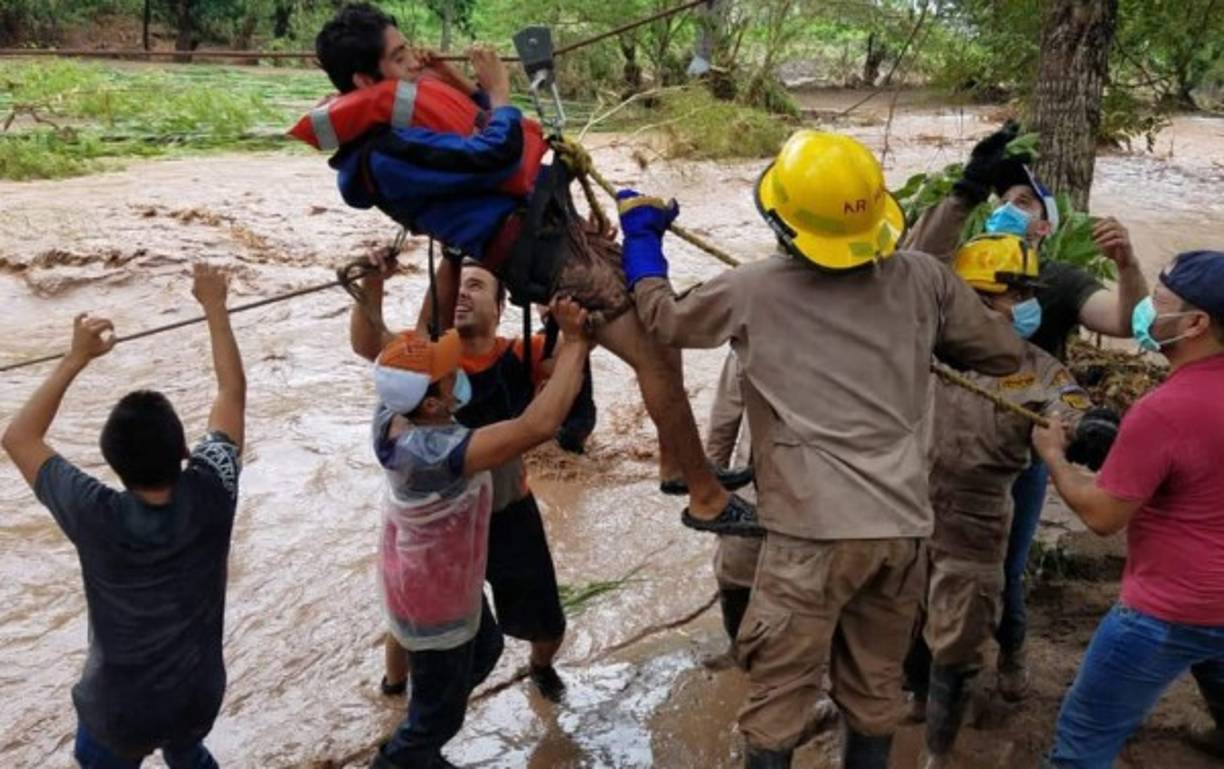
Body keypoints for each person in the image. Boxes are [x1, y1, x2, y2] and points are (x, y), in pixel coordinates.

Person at [620, 129, 1027, 769]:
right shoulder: (923, 280)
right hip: (900, 534)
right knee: (873, 697)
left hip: (810, 538)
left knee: (778, 704)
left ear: (781, 221)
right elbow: (1006, 356)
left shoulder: (749, 289)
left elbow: (665, 320)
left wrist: (642, 241)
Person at [308, 2, 755, 534]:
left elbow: (473, 131)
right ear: (364, 78)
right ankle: (705, 498)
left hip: (547, 226)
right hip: (537, 251)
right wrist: (498, 91)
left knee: (663, 340)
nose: (412, 63)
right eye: (399, 56)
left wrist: (453, 80)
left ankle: (678, 465)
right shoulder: (386, 151)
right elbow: (494, 154)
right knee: (652, 357)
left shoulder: (401, 123)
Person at [903, 121, 1149, 698]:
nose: (1009, 208)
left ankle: (1008, 653)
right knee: (917, 566)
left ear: (1045, 225)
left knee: (1002, 567)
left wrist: (1129, 264)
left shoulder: (1060, 282)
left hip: (1024, 438)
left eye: (1022, 202)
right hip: (937, 442)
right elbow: (914, 271)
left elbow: (1121, 323)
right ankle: (920, 679)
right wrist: (965, 188)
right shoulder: (965, 266)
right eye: (1004, 198)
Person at [1, 264, 246, 769]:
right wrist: (215, 306)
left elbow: (19, 438)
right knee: (186, 748)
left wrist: (75, 358)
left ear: (111, 465)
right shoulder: (212, 487)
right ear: (183, 450)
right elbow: (231, 394)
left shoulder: (94, 512)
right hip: (197, 696)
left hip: (118, 711)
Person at [904, 235, 1116, 768]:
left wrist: (1089, 429)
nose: (1025, 303)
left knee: (958, 644)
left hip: (973, 528)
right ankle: (915, 699)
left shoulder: (1037, 367)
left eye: (1028, 291)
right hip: (904, 517)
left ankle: (938, 752)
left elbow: (1069, 408)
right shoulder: (923, 345)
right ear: (970, 298)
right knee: (903, 625)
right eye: (1012, 292)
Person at [363, 282, 593, 769]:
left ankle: (424, 723)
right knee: (439, 718)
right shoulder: (435, 450)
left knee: (486, 648)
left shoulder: (392, 412)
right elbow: (535, 427)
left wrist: (372, 284)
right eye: (449, 375)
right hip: (436, 596)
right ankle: (404, 754)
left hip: (428, 575)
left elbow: (393, 344)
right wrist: (576, 342)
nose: (456, 372)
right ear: (432, 405)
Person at [1031, 250, 1224, 769]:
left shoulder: (1163, 410)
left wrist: (1055, 458)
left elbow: (1102, 517)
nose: (1146, 310)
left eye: (1159, 302)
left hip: (1165, 611)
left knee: (1081, 742)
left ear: (1195, 322)